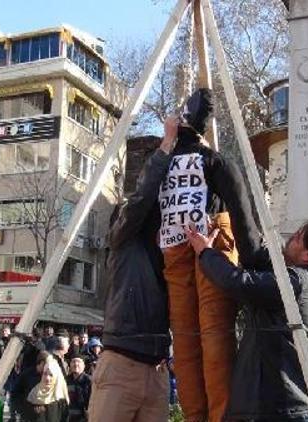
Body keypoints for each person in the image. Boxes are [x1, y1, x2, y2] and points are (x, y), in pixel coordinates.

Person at [159, 88, 266, 422]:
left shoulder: (161, 162)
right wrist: (257, 269)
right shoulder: (215, 161)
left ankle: (196, 417)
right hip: (212, 246)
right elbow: (243, 215)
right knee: (216, 338)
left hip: (174, 251)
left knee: (186, 343)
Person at [187, 220, 308, 421]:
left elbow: (239, 283)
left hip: (283, 408)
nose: (289, 239)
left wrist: (206, 252)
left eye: (297, 237)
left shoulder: (297, 282)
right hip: (303, 404)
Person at [87, 133, 174, 422]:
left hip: (158, 370)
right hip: (121, 364)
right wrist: (164, 150)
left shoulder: (170, 250)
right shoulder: (124, 235)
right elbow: (139, 202)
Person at [27, 355, 69, 422]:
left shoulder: (60, 398)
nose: (47, 378)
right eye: (45, 374)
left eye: (51, 375)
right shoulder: (34, 393)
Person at [12, 351, 50, 422]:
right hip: (28, 416)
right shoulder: (26, 375)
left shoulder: (50, 376)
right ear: (41, 363)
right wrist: (23, 410)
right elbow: (15, 394)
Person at [66, 357, 91, 422]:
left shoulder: (89, 381)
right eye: (73, 361)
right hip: (68, 417)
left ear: (84, 366)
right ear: (70, 365)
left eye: (78, 362)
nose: (76, 364)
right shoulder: (65, 380)